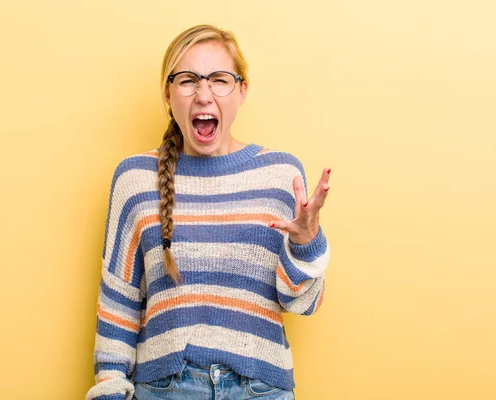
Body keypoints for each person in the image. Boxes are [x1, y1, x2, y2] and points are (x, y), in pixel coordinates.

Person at [85, 24, 331, 400]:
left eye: (219, 80)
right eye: (187, 80)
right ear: (168, 93)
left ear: (242, 90)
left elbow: (304, 303)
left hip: (261, 390)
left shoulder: (280, 175)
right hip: (165, 389)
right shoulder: (135, 179)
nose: (203, 95)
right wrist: (110, 391)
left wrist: (306, 241)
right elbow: (118, 304)